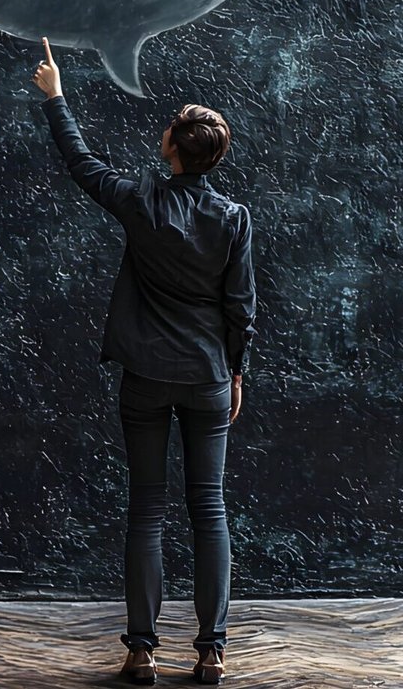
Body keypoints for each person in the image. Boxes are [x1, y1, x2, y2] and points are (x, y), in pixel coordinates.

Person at [31, 37, 256, 687]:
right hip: (208, 376)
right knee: (209, 509)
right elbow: (241, 307)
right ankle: (211, 651)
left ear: (172, 148)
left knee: (147, 510)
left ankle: (142, 651)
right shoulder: (233, 218)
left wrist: (56, 97)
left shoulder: (140, 201)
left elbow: (81, 163)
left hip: (146, 379)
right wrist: (235, 371)